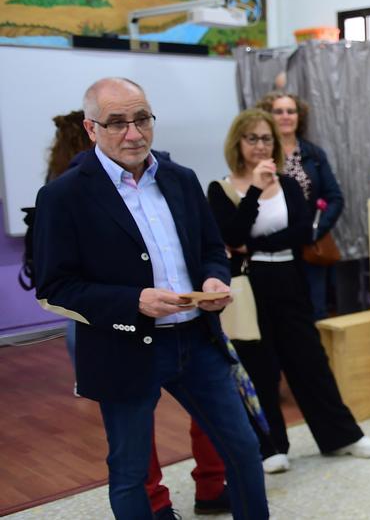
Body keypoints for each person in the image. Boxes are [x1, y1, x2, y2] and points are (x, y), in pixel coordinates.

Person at [32, 77, 268, 519]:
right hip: (124, 347)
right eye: (117, 123)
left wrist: (215, 280)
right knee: (129, 471)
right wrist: (133, 301)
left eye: (141, 119)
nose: (134, 133)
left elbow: (210, 251)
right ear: (91, 129)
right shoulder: (64, 197)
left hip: (197, 342)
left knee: (243, 447)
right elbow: (56, 286)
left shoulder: (180, 179)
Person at [207, 109, 370, 474]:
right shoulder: (221, 188)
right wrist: (254, 190)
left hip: (290, 278)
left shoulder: (287, 184)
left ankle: (341, 436)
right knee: (260, 365)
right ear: (237, 142)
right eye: (251, 138)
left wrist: (254, 244)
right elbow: (231, 236)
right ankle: (271, 446)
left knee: (311, 361)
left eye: (266, 138)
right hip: (250, 287)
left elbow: (303, 233)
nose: (260, 145)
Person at [255, 92, 345, 321]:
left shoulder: (313, 154)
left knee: (316, 312)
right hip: (273, 247)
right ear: (268, 115)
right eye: (279, 111)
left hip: (309, 247)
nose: (286, 116)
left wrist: (314, 231)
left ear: (299, 116)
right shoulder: (260, 154)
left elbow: (335, 197)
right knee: (279, 315)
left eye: (291, 111)